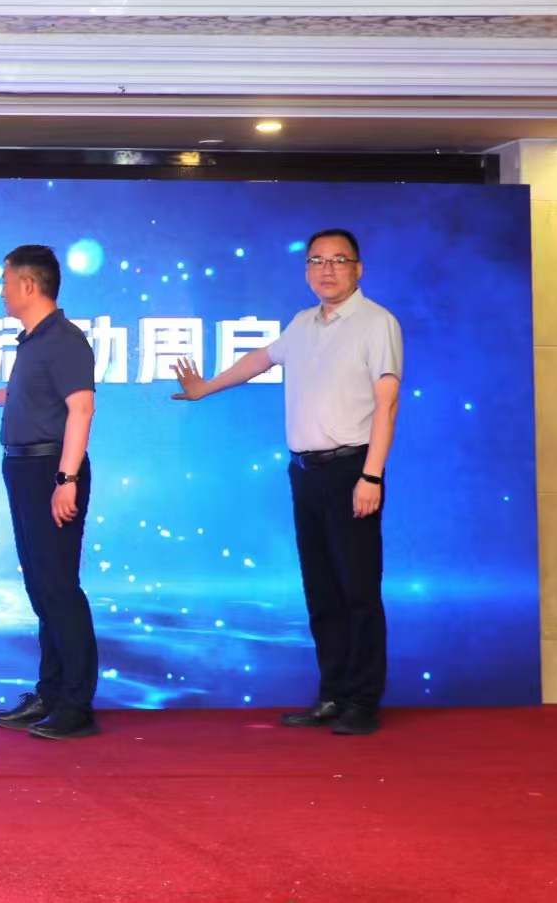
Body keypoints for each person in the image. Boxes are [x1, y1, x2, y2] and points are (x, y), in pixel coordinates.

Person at [173, 228, 401, 736]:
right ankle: (333, 693)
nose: (327, 270)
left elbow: (386, 404)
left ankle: (363, 701)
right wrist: (206, 388)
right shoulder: (302, 323)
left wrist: (372, 474)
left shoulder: (377, 322)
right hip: (305, 472)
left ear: (358, 269)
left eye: (338, 260)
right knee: (321, 591)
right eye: (317, 261)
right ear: (306, 271)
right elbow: (261, 359)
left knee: (358, 589)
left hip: (351, 470)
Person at [0, 244, 100, 741]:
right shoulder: (33, 341)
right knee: (41, 587)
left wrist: (66, 479)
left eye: (6, 281)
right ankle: (51, 692)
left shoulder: (64, 339)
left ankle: (76, 704)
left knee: (58, 587)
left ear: (29, 285)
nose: (2, 290)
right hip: (22, 468)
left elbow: (81, 409)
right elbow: (31, 397)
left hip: (49, 470)